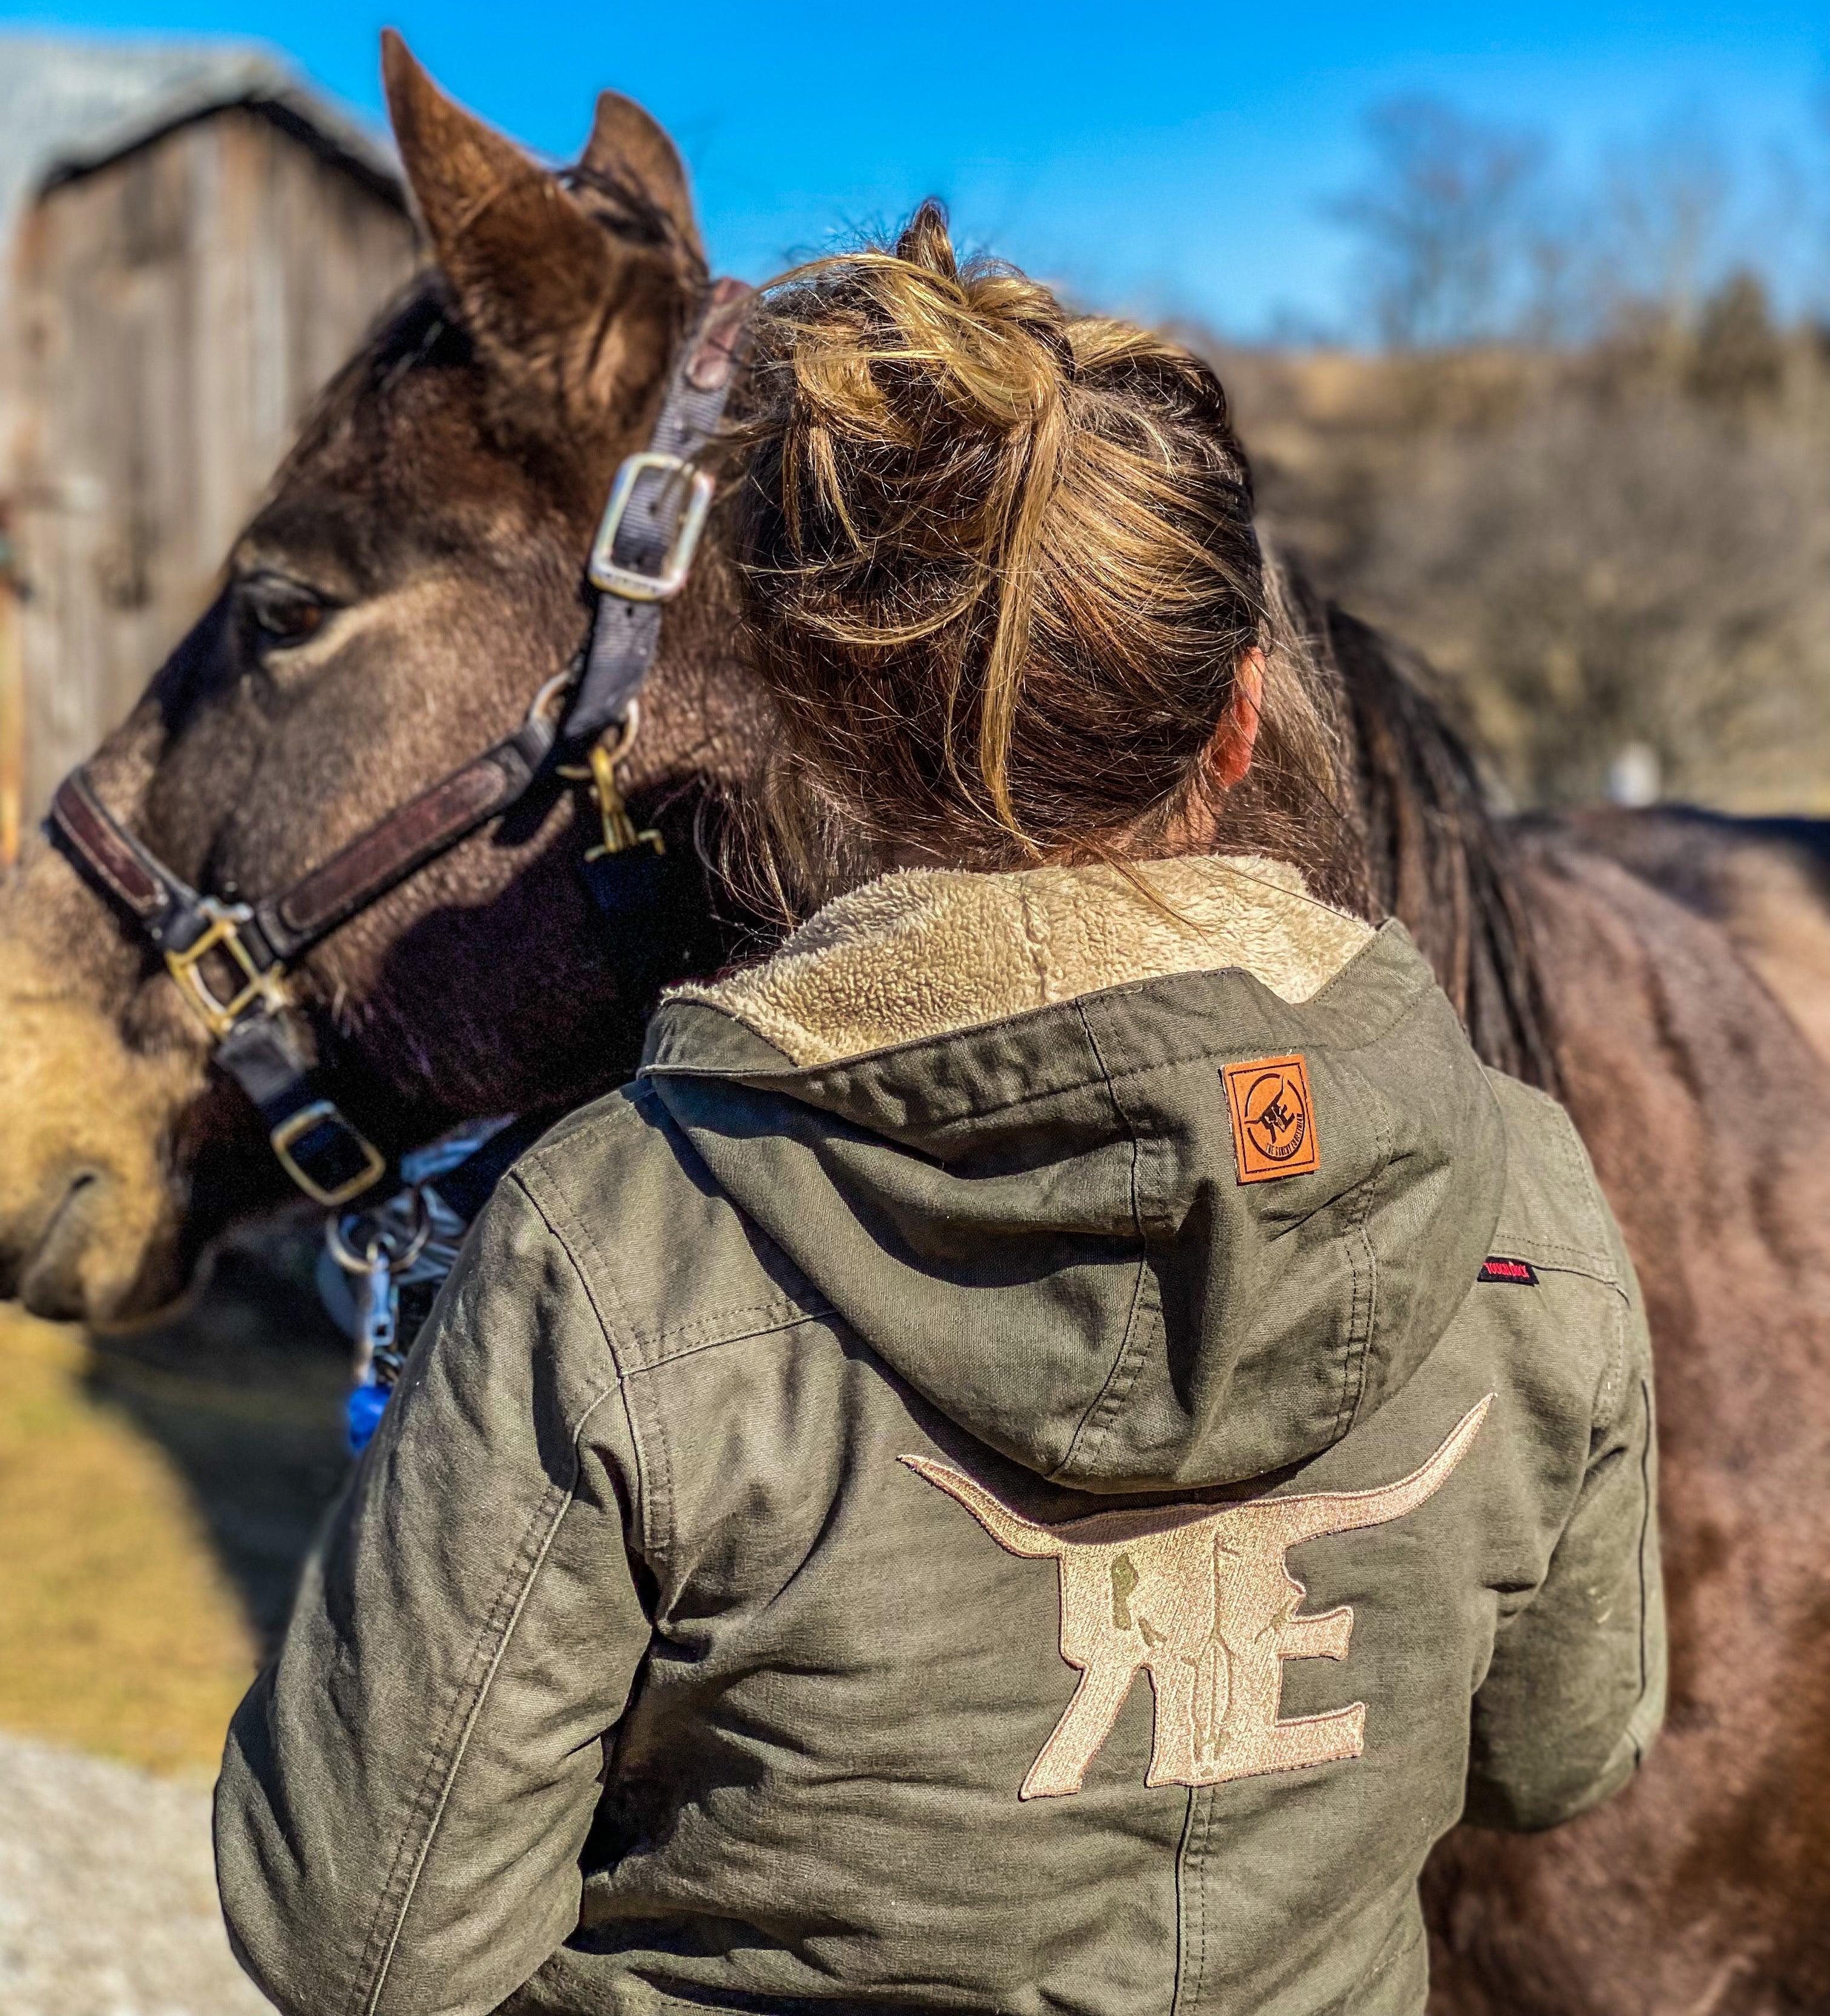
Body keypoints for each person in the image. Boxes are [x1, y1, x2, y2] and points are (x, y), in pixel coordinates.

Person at [215, 206, 1663, 2016]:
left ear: (796, 728)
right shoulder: (1531, 1189)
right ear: (1238, 723)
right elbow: (1560, 1753)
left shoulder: (614, 1251)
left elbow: (361, 1941)